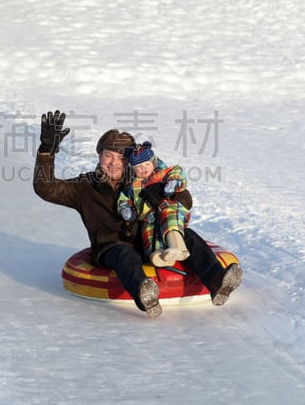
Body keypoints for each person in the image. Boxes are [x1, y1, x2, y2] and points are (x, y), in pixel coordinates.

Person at [33, 110, 242, 319]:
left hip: (149, 243)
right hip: (110, 248)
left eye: (121, 158)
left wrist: (167, 197)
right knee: (125, 255)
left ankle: (217, 281)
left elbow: (183, 200)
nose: (114, 163)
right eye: (108, 155)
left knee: (188, 236)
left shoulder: (144, 182)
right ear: (99, 156)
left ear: (129, 162)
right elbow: (46, 188)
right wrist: (46, 152)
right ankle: (144, 293)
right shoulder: (84, 187)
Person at [118, 141, 191, 267]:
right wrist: (126, 210)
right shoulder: (131, 185)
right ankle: (158, 255)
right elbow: (124, 199)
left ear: (153, 162)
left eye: (147, 164)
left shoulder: (163, 173)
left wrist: (173, 183)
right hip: (148, 218)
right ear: (133, 169)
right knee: (150, 236)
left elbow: (178, 172)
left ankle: (177, 246)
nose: (144, 168)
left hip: (168, 207)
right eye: (139, 167)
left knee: (170, 221)